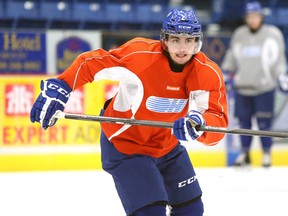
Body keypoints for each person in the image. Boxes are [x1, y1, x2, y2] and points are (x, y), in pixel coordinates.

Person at [30, 8, 228, 216]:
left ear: (198, 42)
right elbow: (92, 63)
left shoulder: (207, 72)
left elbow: (217, 122)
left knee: (192, 210)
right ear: (165, 40)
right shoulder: (140, 56)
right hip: (126, 147)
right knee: (152, 212)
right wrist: (63, 85)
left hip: (166, 146)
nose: (182, 47)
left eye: (189, 40)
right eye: (176, 39)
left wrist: (199, 125)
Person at [221, 1, 287, 167]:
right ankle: (244, 153)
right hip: (243, 88)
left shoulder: (273, 34)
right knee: (243, 124)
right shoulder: (239, 34)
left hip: (265, 88)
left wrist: (281, 76)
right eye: (250, 16)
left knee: (265, 124)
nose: (253, 19)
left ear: (261, 16)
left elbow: (279, 59)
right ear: (246, 18)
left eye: (256, 16)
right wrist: (226, 72)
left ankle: (266, 154)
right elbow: (231, 57)